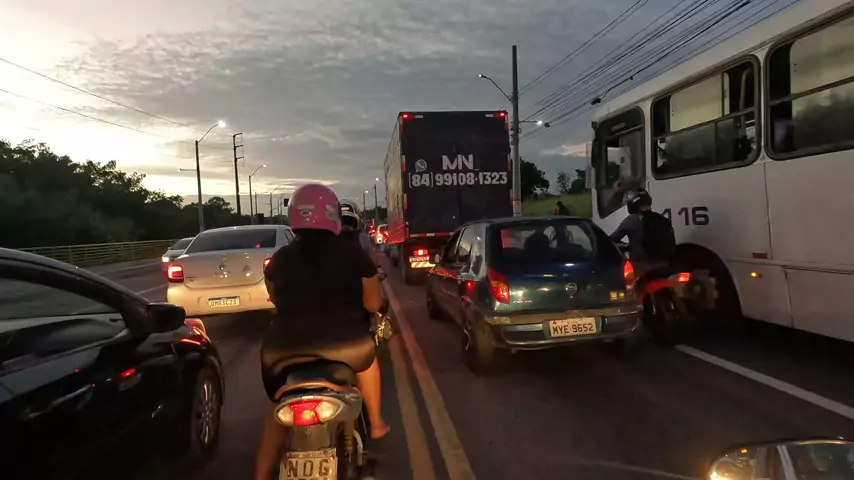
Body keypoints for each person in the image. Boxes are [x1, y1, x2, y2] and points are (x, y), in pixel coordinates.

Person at [255, 184, 390, 480]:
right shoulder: (353, 254)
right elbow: (373, 304)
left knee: (278, 404)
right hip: (347, 346)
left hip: (282, 352)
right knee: (368, 364)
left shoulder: (280, 259)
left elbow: (276, 300)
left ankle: (261, 475)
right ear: (332, 215)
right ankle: (377, 424)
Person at [608, 188, 674, 280]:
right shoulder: (662, 219)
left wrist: (625, 246)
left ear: (632, 205)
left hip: (643, 267)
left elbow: (611, 240)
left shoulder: (631, 220)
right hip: (665, 265)